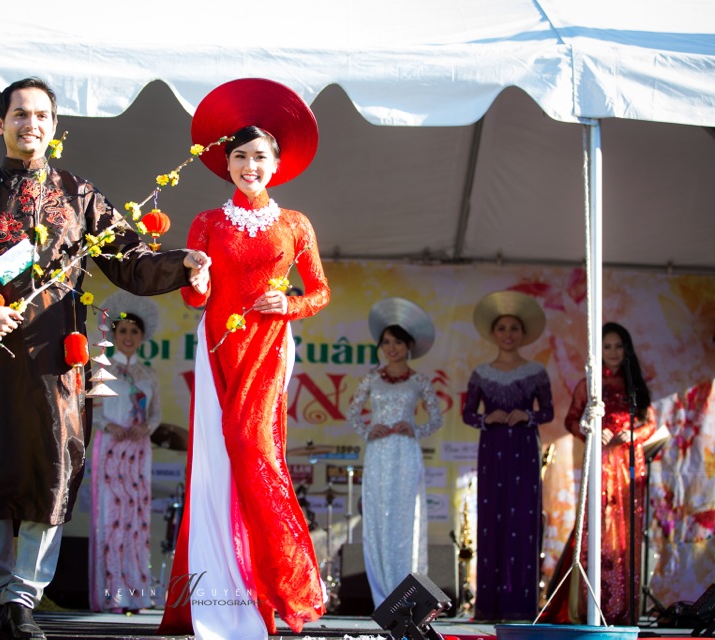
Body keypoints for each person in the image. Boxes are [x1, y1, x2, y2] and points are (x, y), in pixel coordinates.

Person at [0, 77, 210, 640]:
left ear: (55, 127)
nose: (32, 124)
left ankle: (23, 601)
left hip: (55, 362)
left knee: (45, 470)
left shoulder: (79, 196)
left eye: (43, 116)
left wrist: (181, 262)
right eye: (21, 115)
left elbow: (128, 258)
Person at [158, 78, 329, 640]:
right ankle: (227, 589)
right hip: (218, 349)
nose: (249, 165)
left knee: (254, 448)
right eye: (239, 156)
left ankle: (287, 585)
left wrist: (292, 302)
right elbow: (193, 298)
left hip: (269, 346)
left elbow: (321, 292)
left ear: (276, 163)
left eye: (259, 156)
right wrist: (199, 280)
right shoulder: (207, 221)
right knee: (216, 461)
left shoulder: (296, 223)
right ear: (225, 164)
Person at [539, 321, 656, 625]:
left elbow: (650, 424)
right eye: (608, 346)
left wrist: (632, 435)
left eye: (619, 346)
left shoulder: (635, 385)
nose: (614, 352)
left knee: (625, 536)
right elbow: (572, 421)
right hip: (600, 465)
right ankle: (592, 605)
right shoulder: (589, 385)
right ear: (598, 350)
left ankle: (622, 609)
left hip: (630, 469)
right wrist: (593, 430)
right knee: (596, 532)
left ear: (627, 349)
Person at [461, 290, 553, 621]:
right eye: (502, 329)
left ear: (523, 334)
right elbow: (468, 414)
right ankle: (489, 606)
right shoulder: (481, 373)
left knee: (523, 521)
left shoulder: (537, 372)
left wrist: (527, 417)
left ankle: (520, 605)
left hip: (525, 451)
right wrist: (489, 419)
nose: (509, 335)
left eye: (515, 328)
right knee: (492, 521)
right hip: (493, 450)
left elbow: (549, 412)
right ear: (493, 333)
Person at [345, 297, 443, 608]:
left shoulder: (418, 381)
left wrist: (414, 429)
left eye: (397, 342)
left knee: (406, 520)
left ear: (409, 345)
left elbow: (436, 418)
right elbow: (352, 413)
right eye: (385, 342)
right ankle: (383, 598)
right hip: (377, 454)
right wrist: (366, 430)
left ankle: (409, 595)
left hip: (405, 454)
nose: (391, 348)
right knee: (376, 519)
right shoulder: (372, 379)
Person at [89, 291, 162, 613]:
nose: (128, 337)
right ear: (114, 335)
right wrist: (108, 426)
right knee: (111, 516)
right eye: (122, 331)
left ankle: (137, 595)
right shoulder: (102, 369)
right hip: (111, 450)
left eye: (134, 331)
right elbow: (91, 411)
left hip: (139, 451)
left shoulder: (149, 375)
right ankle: (111, 596)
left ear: (143, 336)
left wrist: (148, 428)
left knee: (137, 519)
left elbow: (156, 413)